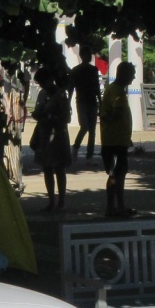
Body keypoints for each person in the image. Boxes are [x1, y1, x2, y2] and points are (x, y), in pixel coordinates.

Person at [31, 66, 72, 212]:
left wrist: (50, 117)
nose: (42, 86)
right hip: (44, 133)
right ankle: (51, 201)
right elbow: (38, 110)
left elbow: (67, 117)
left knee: (59, 168)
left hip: (57, 134)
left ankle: (61, 201)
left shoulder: (60, 95)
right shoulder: (42, 94)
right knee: (47, 168)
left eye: (43, 82)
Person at [99, 61, 136, 216]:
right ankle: (113, 207)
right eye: (131, 74)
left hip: (117, 139)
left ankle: (119, 206)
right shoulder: (117, 92)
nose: (133, 77)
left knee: (119, 174)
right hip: (114, 140)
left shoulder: (114, 89)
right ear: (124, 74)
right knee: (116, 174)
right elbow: (116, 114)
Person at [69, 52, 101, 161]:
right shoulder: (78, 70)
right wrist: (68, 102)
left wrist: (100, 102)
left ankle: (89, 156)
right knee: (86, 127)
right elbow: (71, 87)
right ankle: (76, 147)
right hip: (83, 101)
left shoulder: (92, 70)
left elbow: (96, 86)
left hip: (90, 101)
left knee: (91, 129)